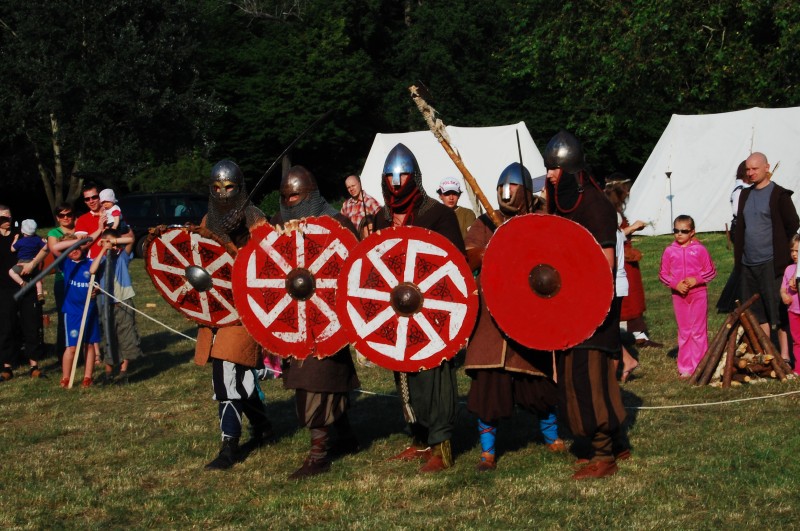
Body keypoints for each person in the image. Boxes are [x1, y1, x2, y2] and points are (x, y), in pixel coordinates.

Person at [463, 162, 562, 472]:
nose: (506, 193)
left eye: (513, 188)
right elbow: (469, 256)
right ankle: (488, 452)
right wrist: (494, 247)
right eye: (502, 188)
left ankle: (552, 437)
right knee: (488, 388)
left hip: (528, 314)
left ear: (525, 192)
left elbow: (556, 259)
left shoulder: (541, 220)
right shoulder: (484, 223)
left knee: (538, 384)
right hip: (490, 320)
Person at [372, 143, 465, 473]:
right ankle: (420, 437)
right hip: (397, 310)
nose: (396, 183)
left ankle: (441, 444)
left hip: (432, 310)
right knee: (404, 374)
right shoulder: (380, 217)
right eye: (390, 176)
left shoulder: (438, 214)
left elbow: (454, 265)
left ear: (415, 177)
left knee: (433, 376)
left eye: (402, 176)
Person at [543, 130, 628, 480]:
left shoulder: (595, 204)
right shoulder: (563, 205)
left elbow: (605, 263)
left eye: (554, 169)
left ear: (570, 170)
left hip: (594, 308)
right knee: (575, 376)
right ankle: (610, 445)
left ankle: (604, 454)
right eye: (548, 168)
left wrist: (586, 301)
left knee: (589, 377)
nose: (549, 175)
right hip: (568, 307)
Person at [271, 165, 361, 479]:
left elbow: (354, 268)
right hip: (296, 316)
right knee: (320, 380)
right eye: (285, 197)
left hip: (329, 317)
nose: (290, 201)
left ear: (310, 195)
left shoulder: (337, 223)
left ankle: (319, 455)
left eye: (295, 195)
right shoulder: (278, 224)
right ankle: (345, 436)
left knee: (318, 379)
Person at [196, 160, 274, 471]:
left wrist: (241, 235)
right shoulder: (208, 219)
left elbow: (268, 262)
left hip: (244, 311)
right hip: (217, 310)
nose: (223, 193)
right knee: (239, 375)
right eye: (217, 188)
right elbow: (201, 260)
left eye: (229, 187)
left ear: (239, 187)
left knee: (226, 375)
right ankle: (263, 424)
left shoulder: (254, 217)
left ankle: (229, 445)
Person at [733, 152, 800, 365]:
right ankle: (765, 352)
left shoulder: (779, 195)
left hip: (772, 263)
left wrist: (782, 252)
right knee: (756, 312)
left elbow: (792, 224)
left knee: (778, 310)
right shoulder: (745, 194)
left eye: (755, 168)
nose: (751, 173)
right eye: (748, 169)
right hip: (748, 263)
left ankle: (785, 356)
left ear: (766, 167)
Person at [604, 179, 661, 348]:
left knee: (634, 295)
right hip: (620, 259)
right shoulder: (610, 213)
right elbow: (613, 235)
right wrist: (633, 228)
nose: (628, 194)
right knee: (627, 297)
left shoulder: (616, 211)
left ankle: (638, 333)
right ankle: (626, 333)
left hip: (626, 258)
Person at [659, 215, 717, 378]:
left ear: (692, 232)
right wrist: (675, 284)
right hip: (679, 296)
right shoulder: (669, 251)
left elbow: (711, 271)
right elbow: (663, 274)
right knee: (684, 331)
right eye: (676, 230)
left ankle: (700, 366)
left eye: (684, 231)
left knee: (698, 331)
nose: (679, 234)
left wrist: (696, 280)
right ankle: (685, 367)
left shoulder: (700, 250)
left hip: (698, 294)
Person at [0, 206, 47, 381]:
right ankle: (7, 367)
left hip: (27, 285)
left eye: (8, 217)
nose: (6, 221)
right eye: (2, 218)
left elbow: (45, 247)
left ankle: (34, 365)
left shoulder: (21, 235)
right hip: (4, 289)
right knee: (6, 327)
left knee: (31, 324)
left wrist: (33, 264)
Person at [92, 228, 143, 385]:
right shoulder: (101, 260)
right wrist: (103, 249)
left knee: (126, 335)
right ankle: (108, 371)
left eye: (114, 244)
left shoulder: (122, 257)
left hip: (123, 302)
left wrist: (113, 242)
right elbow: (92, 270)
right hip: (105, 304)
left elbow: (131, 240)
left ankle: (123, 371)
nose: (111, 247)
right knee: (109, 336)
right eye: (107, 242)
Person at [50, 234, 100, 388]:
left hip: (90, 310)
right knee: (71, 347)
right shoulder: (65, 262)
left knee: (89, 344)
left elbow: (98, 282)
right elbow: (55, 247)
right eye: (69, 249)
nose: (74, 251)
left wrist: (97, 289)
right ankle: (66, 377)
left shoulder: (90, 263)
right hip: (72, 312)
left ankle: (87, 377)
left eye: (77, 247)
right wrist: (75, 241)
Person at [717, 160, 750, 313]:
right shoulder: (740, 190)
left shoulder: (744, 189)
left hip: (744, 229)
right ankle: (729, 301)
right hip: (742, 230)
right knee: (742, 266)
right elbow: (739, 212)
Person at [47, 203, 77, 361]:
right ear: (57, 218)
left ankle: (82, 352)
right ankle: (62, 353)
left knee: (83, 315)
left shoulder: (80, 229)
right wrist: (78, 241)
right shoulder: (54, 233)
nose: (66, 218)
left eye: (69, 214)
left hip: (82, 278)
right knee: (63, 316)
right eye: (62, 215)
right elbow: (54, 249)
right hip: (63, 279)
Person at [9, 219, 47, 302]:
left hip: (22, 262)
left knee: (11, 272)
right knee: (37, 278)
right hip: (34, 262)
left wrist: (15, 239)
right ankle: (40, 294)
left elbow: (12, 249)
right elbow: (45, 248)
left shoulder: (21, 241)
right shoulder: (38, 239)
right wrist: (44, 241)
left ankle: (23, 283)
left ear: (22, 230)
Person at [779, 234, 800, 375]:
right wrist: (784, 295)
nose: (794, 254)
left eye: (797, 251)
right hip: (793, 311)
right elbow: (783, 288)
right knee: (797, 341)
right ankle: (798, 369)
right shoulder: (789, 269)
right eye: (792, 251)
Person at [340, 174, 381, 240]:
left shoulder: (370, 202)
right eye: (348, 187)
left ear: (360, 184)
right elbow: (341, 225)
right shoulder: (346, 205)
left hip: (367, 242)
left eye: (353, 186)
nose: (351, 189)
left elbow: (381, 223)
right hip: (352, 242)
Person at [437, 177, 476, 242]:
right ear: (440, 196)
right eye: (447, 194)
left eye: (454, 193)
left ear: (459, 195)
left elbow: (473, 237)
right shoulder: (434, 214)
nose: (451, 198)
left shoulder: (467, 213)